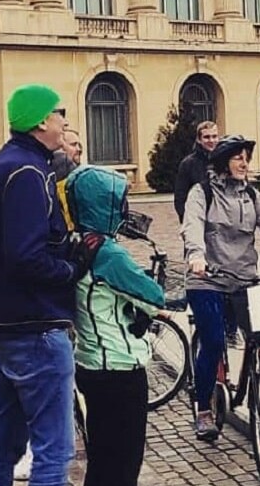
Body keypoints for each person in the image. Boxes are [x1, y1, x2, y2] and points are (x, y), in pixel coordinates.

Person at [0, 85, 100, 486]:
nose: (64, 120)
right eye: (59, 112)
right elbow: (26, 255)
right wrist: (71, 269)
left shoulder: (9, 163)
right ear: (41, 121)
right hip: (35, 325)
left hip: (5, 322)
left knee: (4, 442)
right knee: (53, 448)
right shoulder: (28, 172)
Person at [181, 135, 260, 441]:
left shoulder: (251, 194)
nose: (244, 163)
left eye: (246, 158)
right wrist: (196, 255)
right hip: (207, 278)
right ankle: (204, 411)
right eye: (238, 158)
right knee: (212, 341)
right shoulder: (202, 193)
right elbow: (192, 226)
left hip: (243, 278)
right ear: (224, 162)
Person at [66, 165, 166, 486]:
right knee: (124, 465)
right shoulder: (109, 253)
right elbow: (153, 296)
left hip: (90, 363)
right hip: (120, 369)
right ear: (104, 204)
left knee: (102, 461)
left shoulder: (79, 242)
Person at [174, 120, 219, 223]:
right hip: (198, 218)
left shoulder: (226, 161)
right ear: (199, 139)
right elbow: (180, 197)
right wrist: (187, 221)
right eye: (207, 137)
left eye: (214, 136)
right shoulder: (188, 164)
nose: (211, 140)